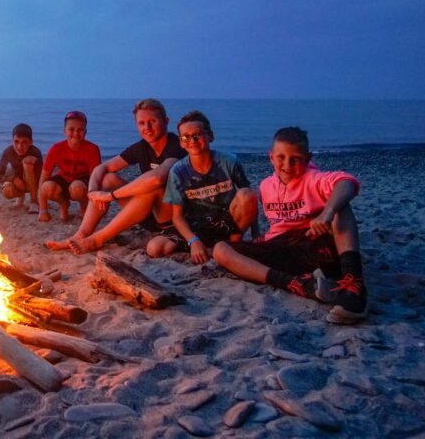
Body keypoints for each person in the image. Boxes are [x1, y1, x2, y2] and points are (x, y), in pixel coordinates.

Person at [213, 126, 368, 324]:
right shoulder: (266, 185)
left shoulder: (314, 179)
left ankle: (353, 284)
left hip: (314, 244)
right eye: (281, 157)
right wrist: (257, 233)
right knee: (220, 249)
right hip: (283, 248)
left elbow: (347, 183)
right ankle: (298, 285)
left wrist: (326, 214)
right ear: (271, 157)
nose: (287, 164)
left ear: (308, 158)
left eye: (295, 158)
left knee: (341, 207)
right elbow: (272, 218)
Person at [45, 98, 185, 253]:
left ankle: (97, 239)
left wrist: (111, 196)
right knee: (108, 178)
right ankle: (81, 234)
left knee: (150, 186)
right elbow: (102, 167)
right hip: (146, 215)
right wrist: (92, 192)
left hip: (172, 218)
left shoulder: (177, 145)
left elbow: (156, 178)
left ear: (165, 121)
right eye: (142, 123)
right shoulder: (142, 147)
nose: (148, 128)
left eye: (153, 121)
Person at [147, 110, 258, 262]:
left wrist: (256, 233)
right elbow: (177, 216)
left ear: (210, 135)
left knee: (247, 194)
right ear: (181, 142)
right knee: (155, 248)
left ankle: (233, 245)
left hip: (226, 223)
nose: (192, 140)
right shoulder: (178, 171)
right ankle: (204, 246)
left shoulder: (229, 162)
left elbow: (250, 200)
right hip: (196, 226)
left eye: (197, 134)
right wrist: (193, 241)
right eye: (186, 137)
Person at [38, 111, 101, 222]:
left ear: (85, 132)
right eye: (71, 129)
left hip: (82, 184)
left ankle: (83, 207)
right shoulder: (56, 148)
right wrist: (43, 210)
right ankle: (64, 204)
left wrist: (93, 205)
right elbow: (43, 179)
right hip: (64, 179)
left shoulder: (93, 149)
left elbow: (95, 181)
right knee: (47, 187)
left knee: (77, 187)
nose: (76, 133)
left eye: (80, 130)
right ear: (64, 131)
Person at [0, 123, 43, 213]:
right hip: (18, 183)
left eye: (24, 142)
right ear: (12, 140)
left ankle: (34, 202)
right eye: (16, 142)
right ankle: (20, 199)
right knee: (6, 191)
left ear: (31, 142)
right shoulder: (8, 151)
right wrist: (13, 179)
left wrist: (36, 162)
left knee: (27, 162)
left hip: (34, 184)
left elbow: (43, 175)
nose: (19, 147)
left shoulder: (35, 152)